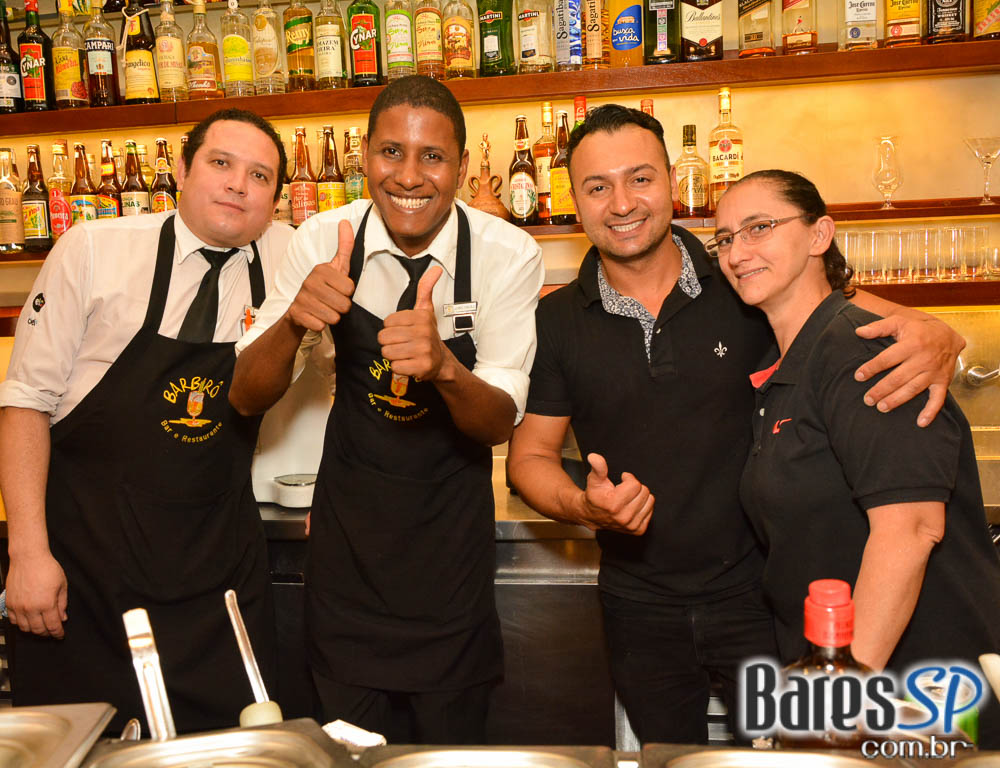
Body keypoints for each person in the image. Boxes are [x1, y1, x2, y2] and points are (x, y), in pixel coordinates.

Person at [506, 105, 966, 745]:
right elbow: (528, 460)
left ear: (672, 182)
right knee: (670, 759)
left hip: (761, 594)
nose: (621, 203)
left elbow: (851, 317)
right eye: (597, 186)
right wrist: (585, 504)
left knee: (791, 755)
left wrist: (939, 329)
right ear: (575, 202)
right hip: (638, 603)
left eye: (640, 178)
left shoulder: (744, 278)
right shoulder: (558, 320)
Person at [228, 75, 544, 744]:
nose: (409, 175)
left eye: (433, 156)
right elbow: (245, 395)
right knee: (347, 753)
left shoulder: (506, 254)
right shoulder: (321, 239)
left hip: (449, 556)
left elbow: (497, 423)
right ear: (365, 157)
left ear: (460, 165)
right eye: (391, 152)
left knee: (448, 754)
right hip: (348, 554)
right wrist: (292, 325)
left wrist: (445, 367)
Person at [0, 109, 292, 735]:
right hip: (88, 575)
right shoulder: (95, 249)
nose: (239, 185)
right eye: (221, 164)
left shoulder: (292, 260)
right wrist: (27, 552)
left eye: (260, 175)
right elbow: (25, 401)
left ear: (275, 198)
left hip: (220, 586)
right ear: (182, 171)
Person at [712, 169, 1000, 748]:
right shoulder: (794, 362)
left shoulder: (858, 352)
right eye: (724, 238)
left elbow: (912, 528)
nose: (737, 251)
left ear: (821, 235)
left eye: (759, 228)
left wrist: (835, 704)